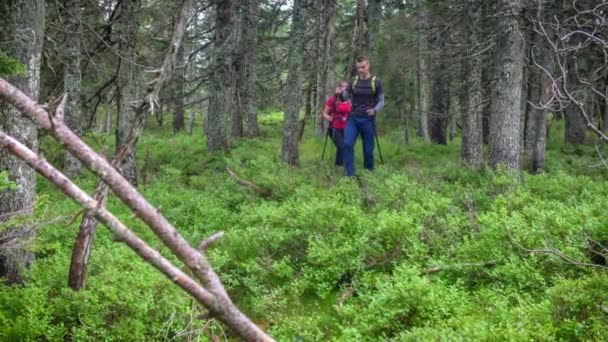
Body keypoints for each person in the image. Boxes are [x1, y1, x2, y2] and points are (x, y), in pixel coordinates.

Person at [343, 55, 385, 176]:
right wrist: (341, 94)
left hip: (368, 119)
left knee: (368, 150)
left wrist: (375, 109)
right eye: (358, 68)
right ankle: (349, 174)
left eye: (363, 67)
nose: (361, 70)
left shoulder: (376, 82)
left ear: (368, 65)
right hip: (353, 118)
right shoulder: (354, 81)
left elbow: (382, 101)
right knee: (347, 144)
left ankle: (368, 173)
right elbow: (345, 97)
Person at [322, 81, 352, 166]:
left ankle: (343, 164)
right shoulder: (333, 99)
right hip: (334, 128)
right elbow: (324, 113)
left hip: (346, 128)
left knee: (346, 146)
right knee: (341, 146)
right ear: (339, 88)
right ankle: (338, 165)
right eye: (343, 86)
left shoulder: (350, 100)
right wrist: (328, 118)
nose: (345, 88)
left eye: (347, 87)